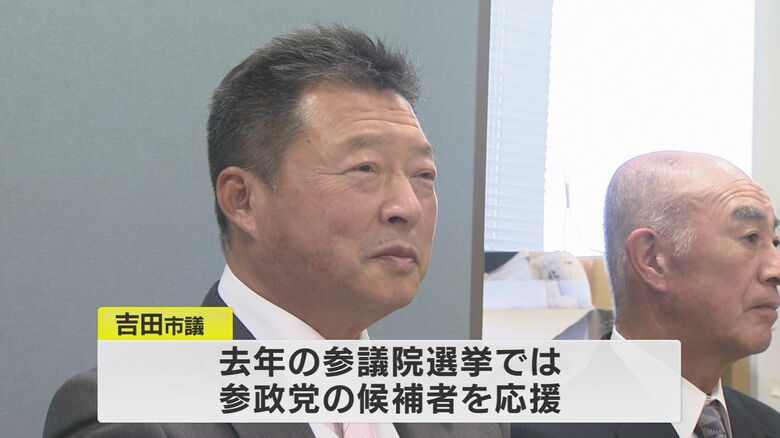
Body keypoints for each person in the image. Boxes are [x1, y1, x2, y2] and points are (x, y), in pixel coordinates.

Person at [43, 25, 508, 438]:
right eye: (365, 168)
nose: (407, 207)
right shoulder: (136, 412)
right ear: (242, 199)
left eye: (423, 175)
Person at [514, 151, 780, 437]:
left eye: (775, 241)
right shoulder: (536, 430)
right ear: (652, 259)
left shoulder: (769, 425)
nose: (775, 268)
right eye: (750, 237)